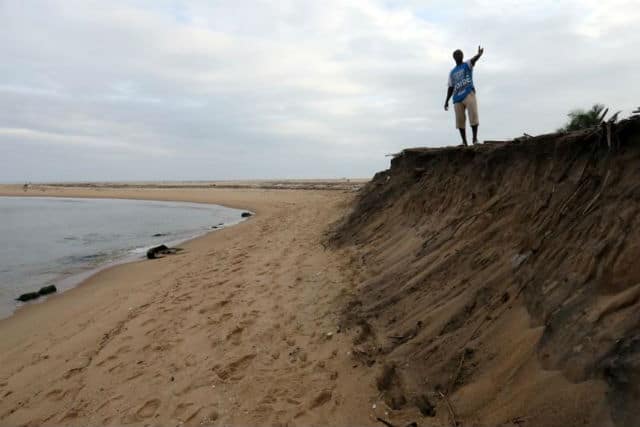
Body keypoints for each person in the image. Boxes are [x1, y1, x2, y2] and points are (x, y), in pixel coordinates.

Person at [444, 46, 484, 146]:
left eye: (460, 54)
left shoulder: (467, 64)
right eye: (457, 55)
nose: (459, 56)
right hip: (457, 98)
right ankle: (464, 142)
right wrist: (446, 101)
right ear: (454, 58)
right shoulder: (452, 72)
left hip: (468, 92)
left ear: (463, 56)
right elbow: (450, 87)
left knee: (473, 115)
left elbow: (474, 60)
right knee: (460, 120)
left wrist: (478, 55)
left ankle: (474, 139)